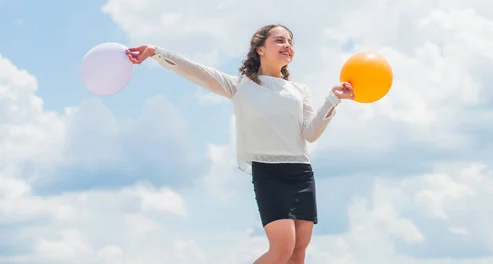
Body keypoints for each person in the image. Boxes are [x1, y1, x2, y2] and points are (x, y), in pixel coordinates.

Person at [126, 24, 355, 264]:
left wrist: (333, 100)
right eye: (279, 40)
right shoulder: (240, 86)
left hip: (301, 172)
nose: (287, 45)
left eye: (290, 42)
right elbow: (195, 71)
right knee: (282, 249)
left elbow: (310, 134)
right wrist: (156, 51)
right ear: (260, 49)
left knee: (298, 252)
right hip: (269, 172)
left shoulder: (300, 91)